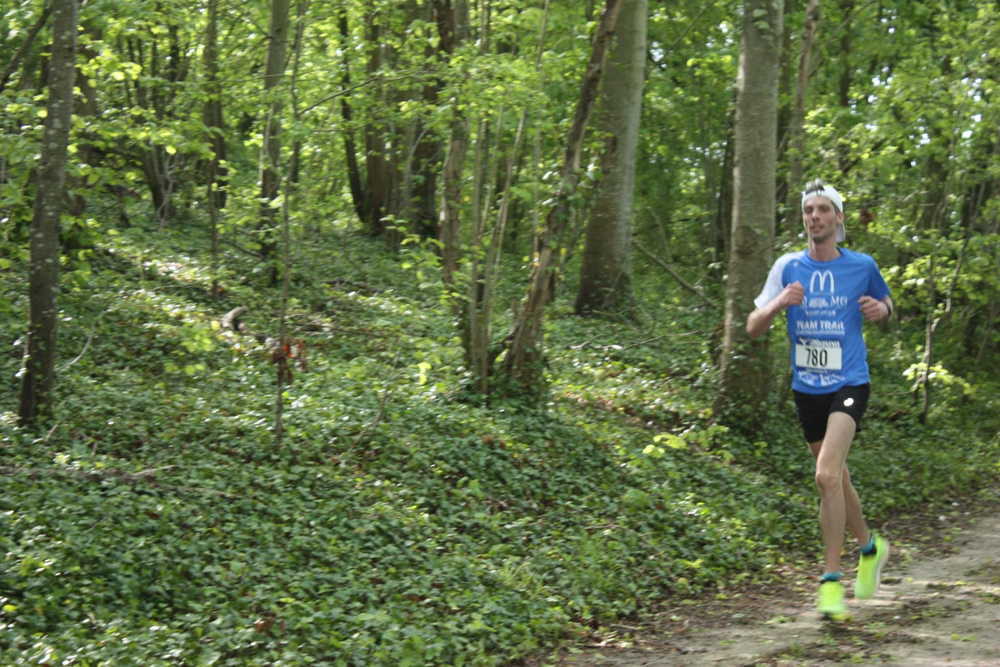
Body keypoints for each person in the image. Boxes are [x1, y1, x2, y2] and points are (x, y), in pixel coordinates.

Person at [745, 179, 893, 620]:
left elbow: (886, 305)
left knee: (825, 475)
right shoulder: (787, 267)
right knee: (838, 481)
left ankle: (831, 583)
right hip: (807, 389)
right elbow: (752, 327)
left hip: (849, 383)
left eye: (823, 209)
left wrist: (881, 311)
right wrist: (777, 306)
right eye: (808, 210)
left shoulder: (861, 265)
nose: (814, 216)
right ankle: (869, 548)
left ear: (838, 219)